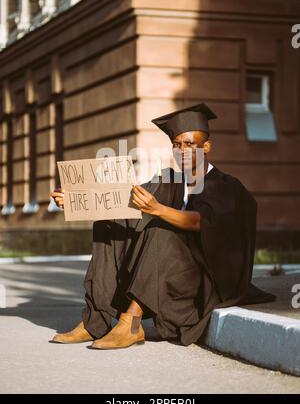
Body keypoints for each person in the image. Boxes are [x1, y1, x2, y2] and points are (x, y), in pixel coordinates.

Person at [50, 103, 275, 350]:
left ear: (206, 147)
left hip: (204, 278)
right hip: (166, 269)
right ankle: (94, 322)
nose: (182, 151)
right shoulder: (169, 179)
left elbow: (199, 221)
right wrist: (74, 200)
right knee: (109, 222)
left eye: (190, 144)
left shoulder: (226, 186)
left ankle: (131, 324)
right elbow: (126, 201)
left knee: (161, 228)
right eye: (176, 144)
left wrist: (157, 209)